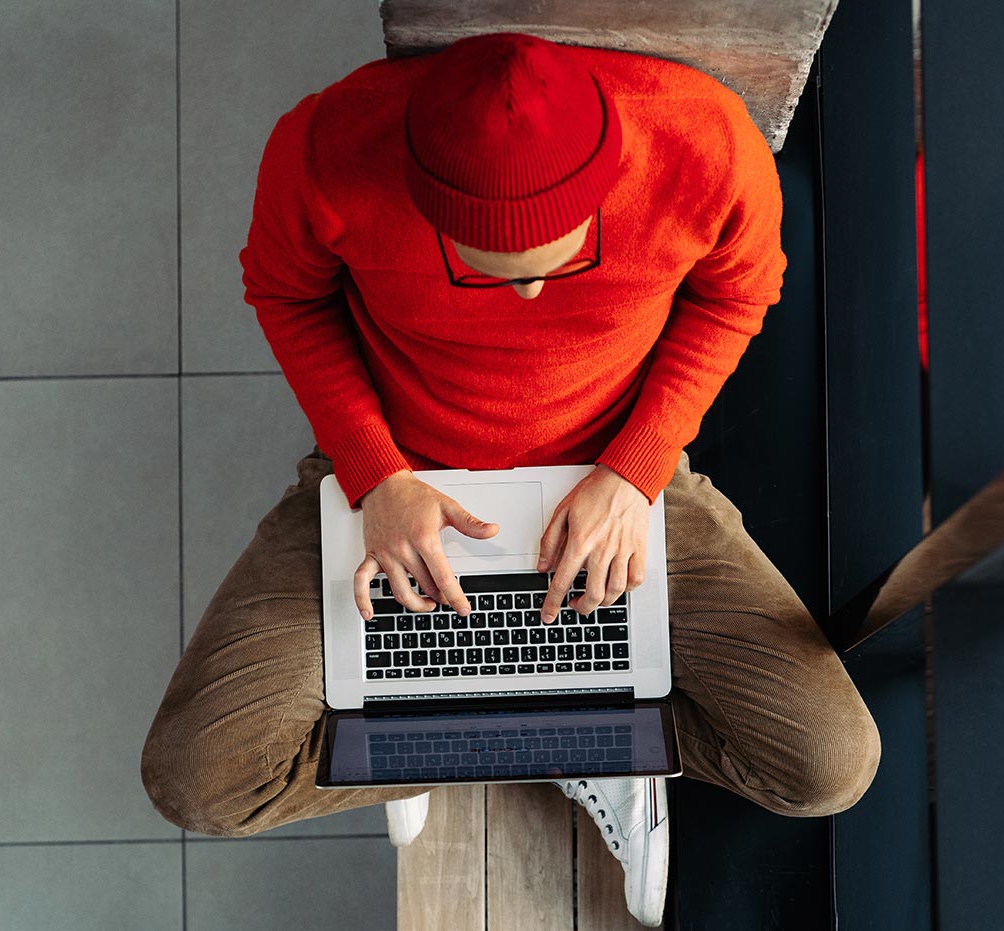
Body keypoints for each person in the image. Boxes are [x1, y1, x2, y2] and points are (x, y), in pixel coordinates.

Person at [140, 31, 881, 927]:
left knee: (830, 765)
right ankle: (444, 731)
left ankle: (475, 737)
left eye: (556, 266)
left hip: (615, 471)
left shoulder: (705, 143)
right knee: (198, 782)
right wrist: (376, 476)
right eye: (495, 272)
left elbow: (738, 293)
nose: (531, 299)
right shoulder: (325, 148)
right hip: (400, 481)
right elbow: (287, 294)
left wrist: (636, 468)